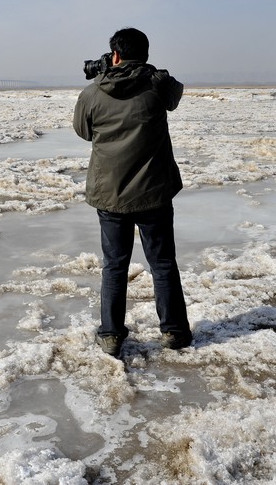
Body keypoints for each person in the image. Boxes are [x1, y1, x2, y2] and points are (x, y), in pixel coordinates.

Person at [73, 27, 192, 357]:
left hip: (110, 194)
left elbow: (84, 131)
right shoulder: (157, 86)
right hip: (153, 192)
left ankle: (111, 335)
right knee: (163, 264)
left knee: (114, 265)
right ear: (147, 56)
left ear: (114, 55)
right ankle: (174, 332)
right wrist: (153, 73)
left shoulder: (93, 92)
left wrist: (103, 76)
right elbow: (175, 93)